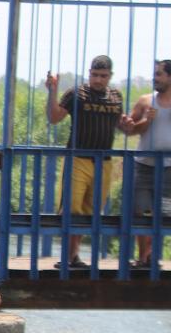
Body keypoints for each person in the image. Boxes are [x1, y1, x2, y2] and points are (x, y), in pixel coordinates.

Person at [45, 55, 125, 269]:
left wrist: (131, 123)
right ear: (89, 73)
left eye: (103, 76)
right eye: (95, 75)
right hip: (77, 158)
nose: (98, 80)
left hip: (104, 161)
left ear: (110, 76)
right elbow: (54, 117)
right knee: (72, 209)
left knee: (90, 211)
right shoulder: (76, 93)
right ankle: (68, 256)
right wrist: (52, 91)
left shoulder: (116, 96)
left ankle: (74, 256)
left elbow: (122, 126)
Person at [120, 59, 171, 270]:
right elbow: (129, 130)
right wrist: (145, 121)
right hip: (144, 165)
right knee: (138, 211)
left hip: (169, 168)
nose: (154, 78)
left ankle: (152, 256)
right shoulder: (145, 101)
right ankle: (143, 258)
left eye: (159, 74)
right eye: (155, 73)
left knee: (165, 212)